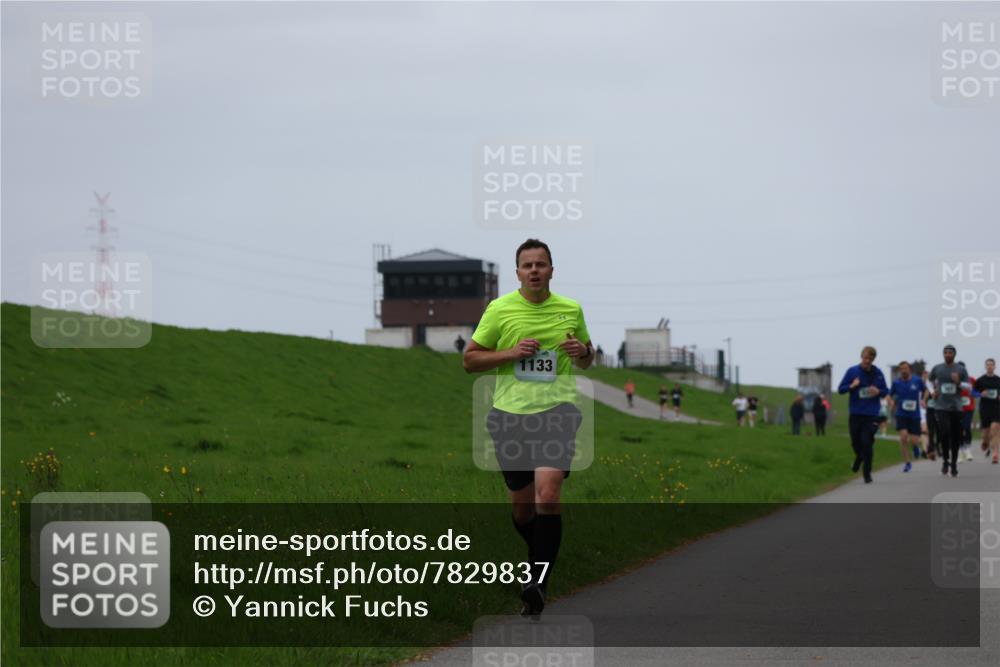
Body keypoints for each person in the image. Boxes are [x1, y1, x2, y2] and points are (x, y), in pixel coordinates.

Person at [463, 238, 593, 617]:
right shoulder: (500, 310)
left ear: (552, 269)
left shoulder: (571, 309)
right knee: (523, 512)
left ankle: (537, 581)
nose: (534, 270)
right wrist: (511, 353)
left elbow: (587, 358)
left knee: (548, 497)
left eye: (541, 264)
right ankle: (535, 563)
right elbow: (470, 361)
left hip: (558, 414)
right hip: (509, 417)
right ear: (517, 272)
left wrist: (583, 353)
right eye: (527, 265)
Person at [837, 345, 888, 484]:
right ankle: (859, 458)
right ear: (861, 356)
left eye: (870, 358)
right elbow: (840, 389)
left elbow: (885, 391)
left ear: (873, 359)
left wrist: (878, 391)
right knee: (855, 442)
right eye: (865, 357)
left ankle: (867, 473)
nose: (867, 361)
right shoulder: (852, 371)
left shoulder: (877, 373)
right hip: (855, 413)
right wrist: (851, 386)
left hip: (871, 414)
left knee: (867, 442)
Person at [928, 344, 971, 477]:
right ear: (943, 354)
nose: (947, 354)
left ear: (954, 354)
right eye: (945, 352)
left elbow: (969, 387)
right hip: (941, 406)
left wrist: (958, 383)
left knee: (956, 436)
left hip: (956, 407)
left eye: (950, 353)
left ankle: (953, 464)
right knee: (944, 433)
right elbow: (929, 381)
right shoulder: (937, 368)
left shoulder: (961, 369)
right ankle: (945, 460)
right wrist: (932, 391)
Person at [888, 361, 927, 473]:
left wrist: (924, 400)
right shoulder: (896, 383)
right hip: (901, 414)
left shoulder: (917, 381)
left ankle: (915, 447)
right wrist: (891, 403)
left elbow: (926, 391)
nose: (903, 370)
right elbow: (889, 395)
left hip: (914, 415)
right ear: (900, 371)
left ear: (909, 369)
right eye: (901, 369)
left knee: (914, 440)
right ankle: (907, 463)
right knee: (904, 437)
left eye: (905, 368)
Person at [974, 358, 1000, 464]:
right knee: (986, 434)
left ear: (994, 367)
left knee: (995, 430)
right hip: (985, 409)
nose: (990, 366)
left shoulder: (998, 380)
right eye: (988, 365)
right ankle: (985, 442)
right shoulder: (980, 380)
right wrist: (980, 394)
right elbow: (973, 392)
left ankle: (995, 454)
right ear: (985, 367)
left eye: (991, 365)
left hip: (997, 408)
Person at [959, 363, 976, 462]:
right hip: (957, 409)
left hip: (969, 408)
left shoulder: (971, 380)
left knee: (966, 426)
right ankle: (961, 450)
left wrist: (974, 393)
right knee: (959, 428)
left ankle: (968, 449)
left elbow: (977, 390)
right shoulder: (954, 381)